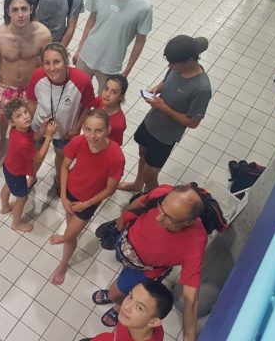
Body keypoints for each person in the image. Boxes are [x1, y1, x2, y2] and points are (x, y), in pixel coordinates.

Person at [93, 185, 206, 341]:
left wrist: (188, 337)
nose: (159, 218)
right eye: (161, 208)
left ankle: (117, 304)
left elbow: (190, 301)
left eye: (169, 218)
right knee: (122, 271)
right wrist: (123, 219)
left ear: (188, 222)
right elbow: (140, 203)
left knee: (116, 293)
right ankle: (121, 296)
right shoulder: (164, 192)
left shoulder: (195, 243)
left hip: (143, 271)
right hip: (126, 244)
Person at [119, 35, 211, 193]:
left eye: (173, 63)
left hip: (165, 137)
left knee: (150, 175)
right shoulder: (176, 66)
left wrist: (163, 107)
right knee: (142, 154)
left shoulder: (201, 88)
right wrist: (157, 88)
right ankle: (137, 184)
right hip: (151, 122)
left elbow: (193, 123)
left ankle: (153, 199)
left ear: (189, 60)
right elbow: (166, 81)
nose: (169, 65)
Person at [50, 110, 125, 285]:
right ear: (83, 128)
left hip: (88, 201)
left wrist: (86, 204)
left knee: (70, 237)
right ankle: (68, 234)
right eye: (88, 130)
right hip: (70, 192)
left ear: (108, 129)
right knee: (70, 224)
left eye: (98, 130)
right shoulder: (78, 141)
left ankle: (63, 264)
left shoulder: (116, 156)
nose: (92, 136)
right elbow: (65, 167)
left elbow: (110, 189)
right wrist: (62, 195)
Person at [0, 0, 52, 161]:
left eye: (24, 9)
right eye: (15, 10)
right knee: (2, 117)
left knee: (28, 120)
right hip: (7, 86)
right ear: (8, 11)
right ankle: (2, 140)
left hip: (31, 88)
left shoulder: (43, 34)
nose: (20, 14)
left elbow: (48, 62)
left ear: (31, 9)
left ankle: (25, 144)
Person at [26, 42, 95, 193]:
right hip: (41, 127)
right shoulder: (37, 76)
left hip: (65, 132)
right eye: (47, 63)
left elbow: (87, 107)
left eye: (56, 62)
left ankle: (59, 178)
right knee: (36, 154)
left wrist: (76, 129)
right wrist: (29, 128)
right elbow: (31, 103)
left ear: (66, 61)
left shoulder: (82, 81)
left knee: (61, 156)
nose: (51, 68)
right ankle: (32, 176)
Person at [73, 0, 152, 91]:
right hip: (86, 56)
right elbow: (91, 21)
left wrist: (126, 72)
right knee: (75, 96)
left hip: (110, 66)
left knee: (104, 107)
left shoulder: (143, 6)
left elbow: (140, 41)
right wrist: (79, 49)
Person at [0, 99, 57, 232]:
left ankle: (5, 207)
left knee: (7, 186)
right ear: (11, 122)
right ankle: (16, 224)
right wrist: (49, 136)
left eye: (26, 112)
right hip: (16, 173)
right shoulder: (22, 142)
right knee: (22, 198)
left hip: (8, 166)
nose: (25, 116)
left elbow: (33, 139)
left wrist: (42, 129)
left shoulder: (19, 130)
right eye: (18, 116)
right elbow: (38, 157)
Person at [82, 281, 173, 341]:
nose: (126, 307)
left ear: (153, 322)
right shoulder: (151, 329)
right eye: (130, 296)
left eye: (139, 307)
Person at [94, 75, 128, 146]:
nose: (107, 94)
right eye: (106, 89)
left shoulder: (118, 124)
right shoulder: (100, 100)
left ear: (121, 97)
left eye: (114, 92)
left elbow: (115, 146)